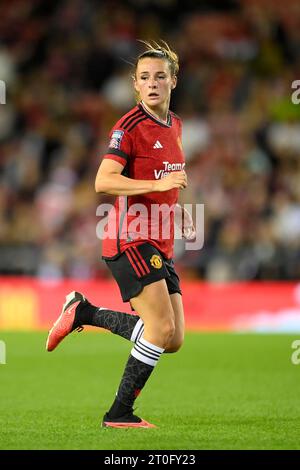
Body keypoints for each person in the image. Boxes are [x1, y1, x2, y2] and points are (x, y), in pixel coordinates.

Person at [46, 40, 195, 428]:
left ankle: (85, 312)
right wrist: (154, 184)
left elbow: (165, 185)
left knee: (173, 338)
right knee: (160, 330)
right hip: (129, 238)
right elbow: (103, 180)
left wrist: (172, 209)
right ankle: (120, 414)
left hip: (157, 241)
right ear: (135, 85)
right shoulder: (128, 127)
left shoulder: (176, 125)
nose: (152, 83)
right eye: (144, 77)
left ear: (173, 81)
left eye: (160, 76)